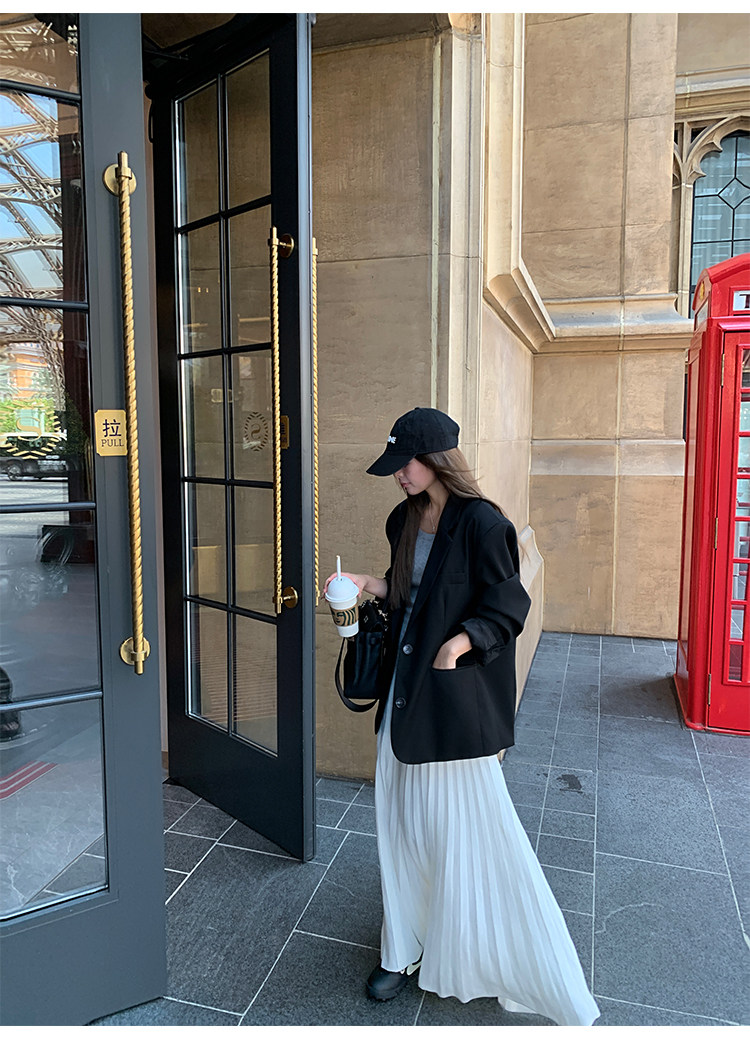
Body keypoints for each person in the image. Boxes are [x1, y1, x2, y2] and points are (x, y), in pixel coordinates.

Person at [324, 407, 600, 1026]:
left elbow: (506, 607)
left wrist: (458, 645)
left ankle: (493, 945)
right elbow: (406, 592)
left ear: (437, 459)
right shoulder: (403, 518)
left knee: (465, 828)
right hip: (403, 693)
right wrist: (367, 583)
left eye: (406, 464)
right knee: (400, 824)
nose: (399, 476)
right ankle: (402, 950)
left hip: (449, 699)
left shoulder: (483, 523)